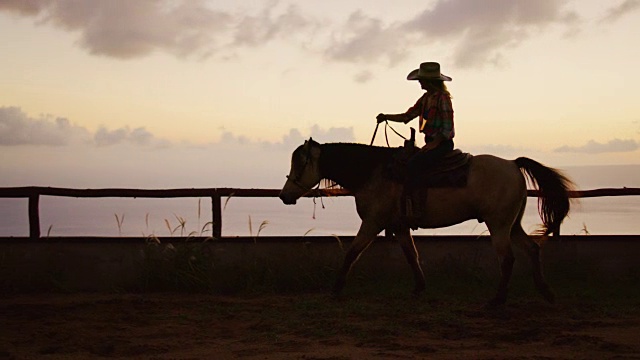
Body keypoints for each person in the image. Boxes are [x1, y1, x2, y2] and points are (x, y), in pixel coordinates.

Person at [376, 62, 455, 224]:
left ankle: (415, 207)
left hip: (442, 143)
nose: (419, 82)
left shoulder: (442, 99)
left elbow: (448, 126)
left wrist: (435, 143)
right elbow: (408, 116)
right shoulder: (426, 99)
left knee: (414, 165)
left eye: (421, 79)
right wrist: (386, 117)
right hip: (431, 142)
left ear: (429, 81)